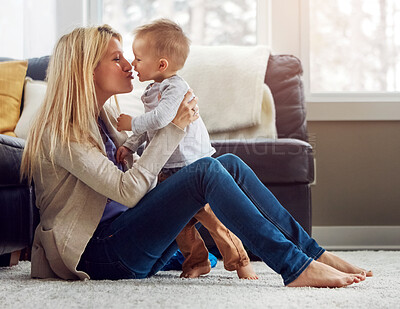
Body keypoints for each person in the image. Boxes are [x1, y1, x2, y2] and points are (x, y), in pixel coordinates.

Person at [21, 24, 372, 287]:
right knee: (205, 171)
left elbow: (145, 180)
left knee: (227, 165)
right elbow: (128, 191)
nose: (129, 64)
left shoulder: (107, 119)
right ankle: (294, 267)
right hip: (98, 254)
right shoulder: (62, 133)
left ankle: (313, 253)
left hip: (128, 237)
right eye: (117, 58)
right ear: (87, 70)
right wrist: (173, 129)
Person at [115, 19, 257, 280]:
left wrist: (130, 122)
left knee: (210, 218)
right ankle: (197, 262)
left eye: (137, 59)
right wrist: (129, 144)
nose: (132, 65)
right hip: (167, 167)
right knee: (179, 225)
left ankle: (240, 261)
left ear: (161, 64)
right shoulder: (152, 90)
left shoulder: (176, 87)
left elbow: (160, 120)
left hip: (192, 166)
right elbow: (149, 130)